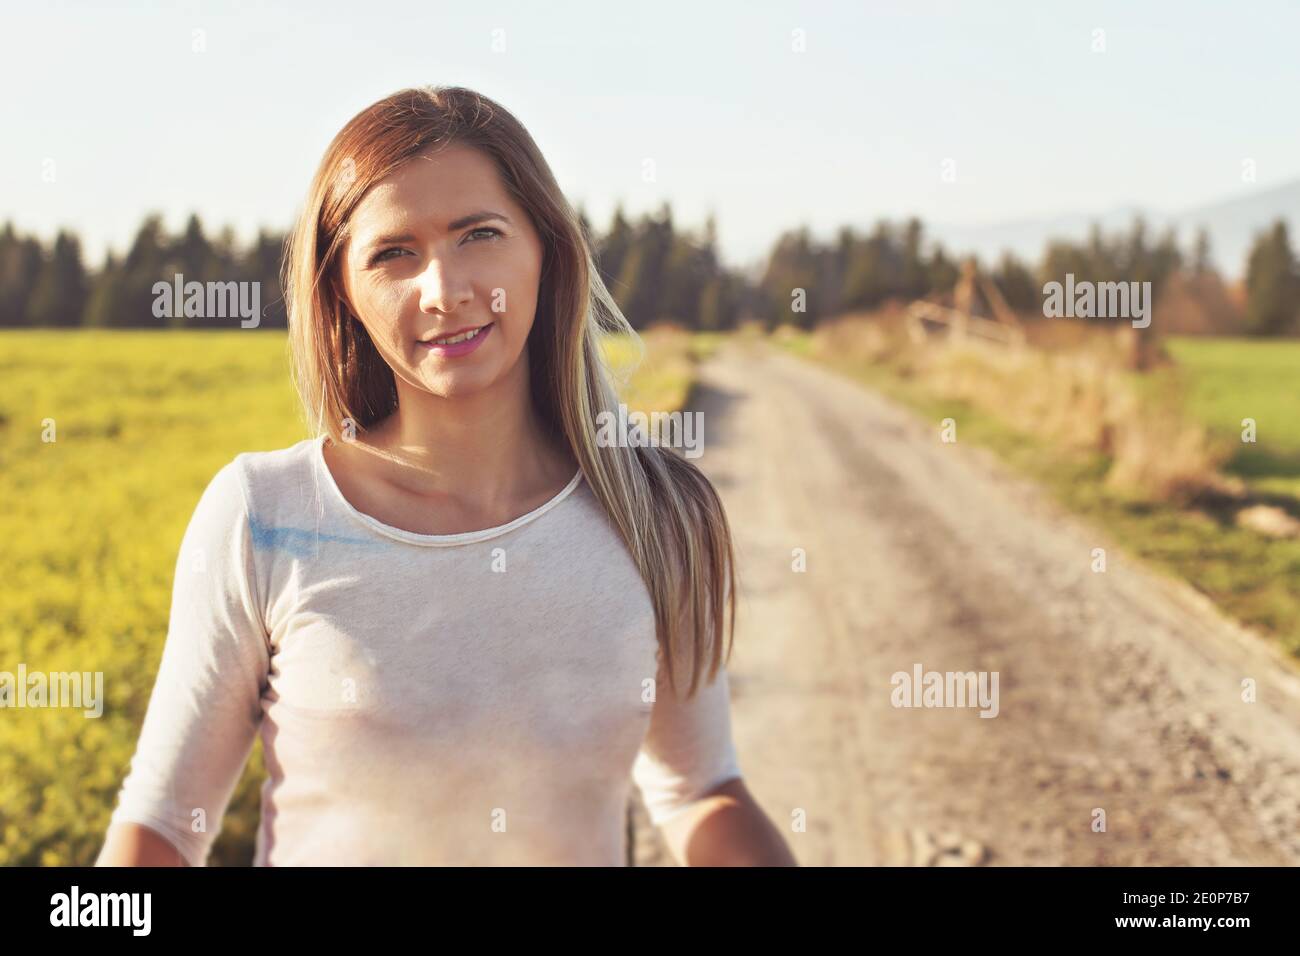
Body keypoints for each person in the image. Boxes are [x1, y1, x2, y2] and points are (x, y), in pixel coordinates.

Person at [95, 85, 795, 867]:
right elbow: (162, 824)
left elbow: (699, 789)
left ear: (546, 251)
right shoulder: (263, 516)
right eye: (394, 252)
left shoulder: (661, 511)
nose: (446, 289)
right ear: (343, 294)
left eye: (480, 234)